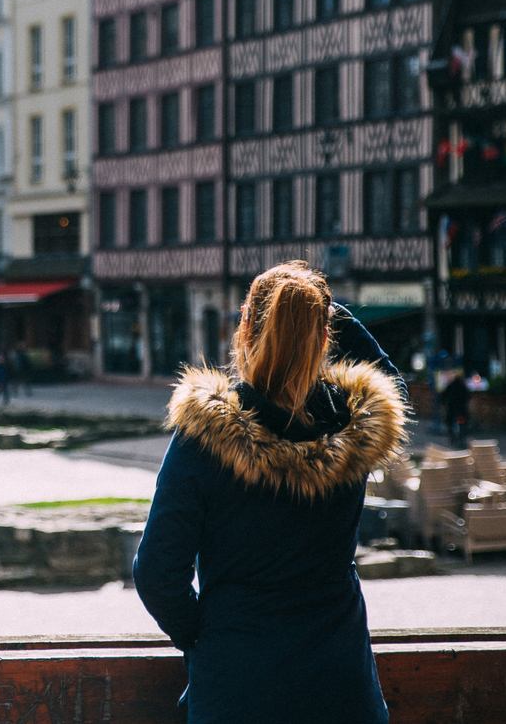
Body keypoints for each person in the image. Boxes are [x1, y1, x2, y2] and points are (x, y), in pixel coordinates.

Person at [134, 261, 407, 722]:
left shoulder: (205, 437)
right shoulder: (355, 428)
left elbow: (158, 572)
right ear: (325, 337)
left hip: (237, 689)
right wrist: (318, 310)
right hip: (340, 689)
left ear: (244, 330)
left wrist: (204, 635)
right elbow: (391, 383)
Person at [441, 369, 470, 448]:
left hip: (452, 410)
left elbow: (443, 396)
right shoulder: (463, 386)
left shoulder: (450, 385)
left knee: (450, 424)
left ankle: (453, 439)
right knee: (462, 424)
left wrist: (444, 403)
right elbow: (468, 396)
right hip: (461, 410)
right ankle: (461, 439)